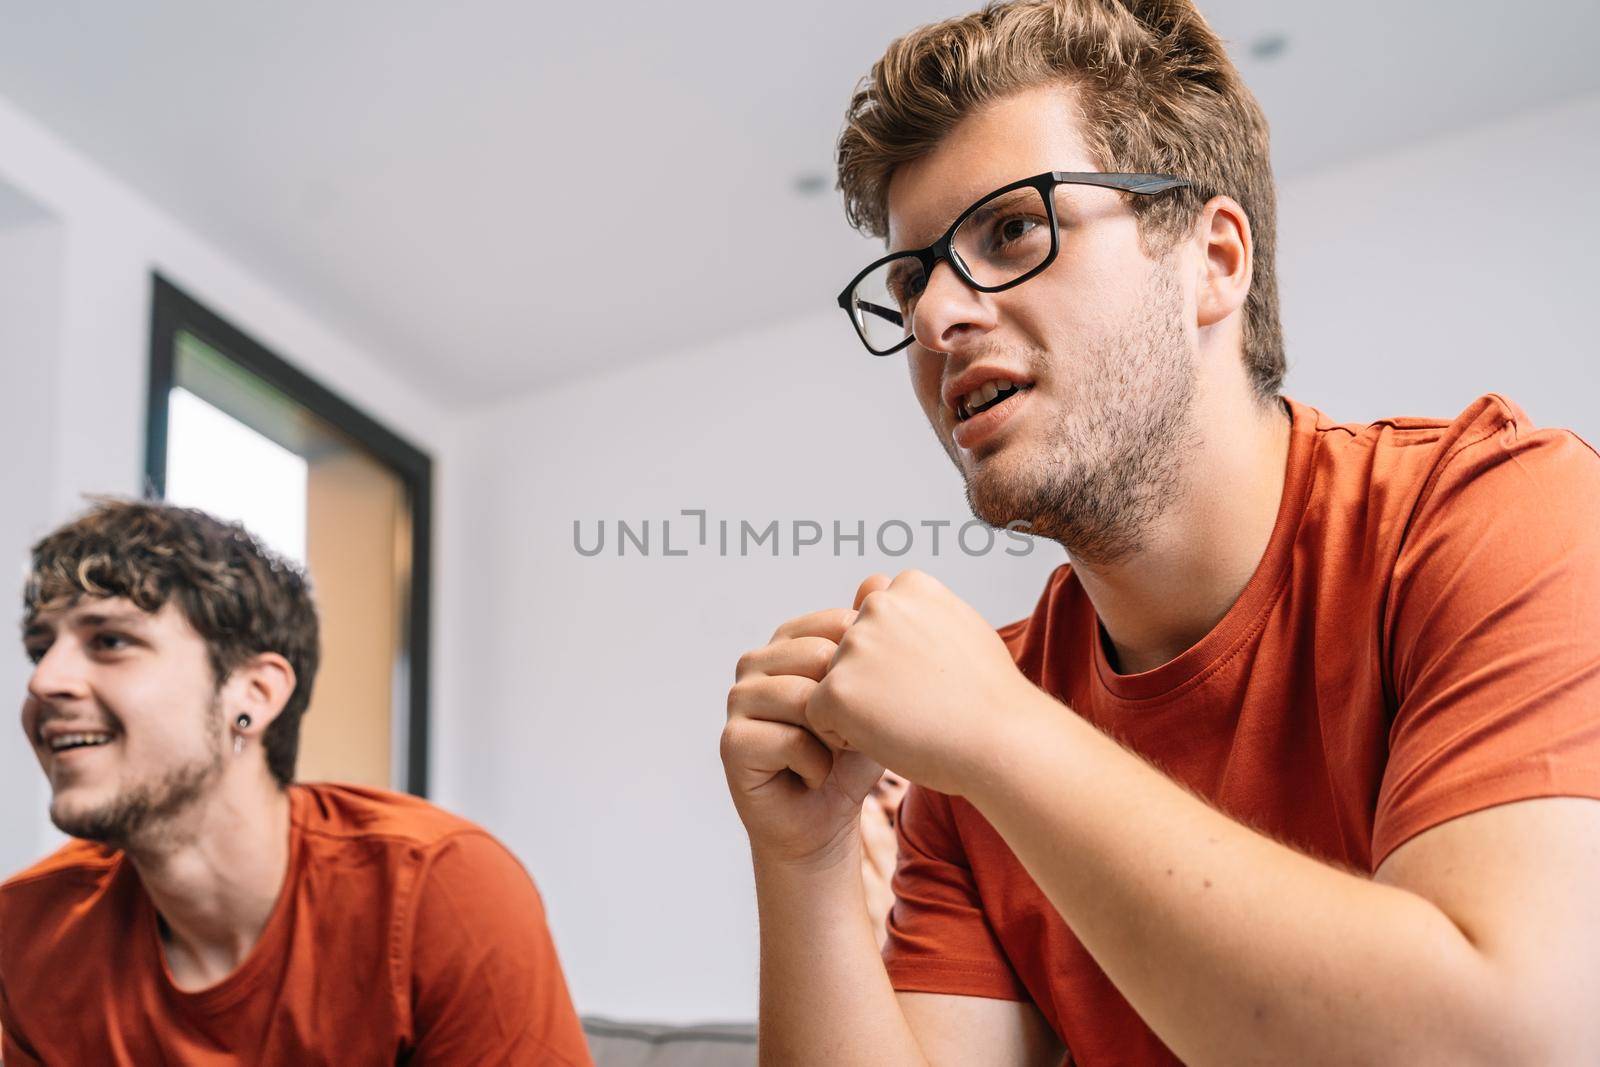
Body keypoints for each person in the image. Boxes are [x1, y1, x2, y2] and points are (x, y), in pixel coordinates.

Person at [719, 1, 1600, 1063]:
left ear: (1212, 259)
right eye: (911, 278)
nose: (936, 318)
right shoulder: (976, 722)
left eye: (1010, 229)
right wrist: (805, 861)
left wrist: (1000, 737)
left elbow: (1503, 1047)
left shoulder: (1493, 511)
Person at [0, 500, 591, 1065]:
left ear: (252, 696)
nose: (45, 681)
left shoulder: (440, 889)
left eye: (110, 641)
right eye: (39, 649)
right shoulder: (26, 928)